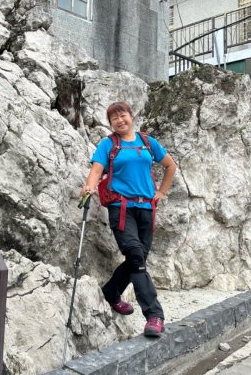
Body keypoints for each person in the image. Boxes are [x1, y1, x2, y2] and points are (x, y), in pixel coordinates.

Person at [81, 101, 177, 336]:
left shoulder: (147, 142)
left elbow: (170, 166)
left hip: (146, 209)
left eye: (122, 115)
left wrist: (162, 192)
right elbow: (96, 170)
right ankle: (154, 315)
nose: (119, 120)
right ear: (111, 123)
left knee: (137, 258)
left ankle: (111, 292)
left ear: (131, 116)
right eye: (114, 118)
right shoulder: (108, 145)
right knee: (136, 255)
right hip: (121, 208)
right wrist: (89, 187)